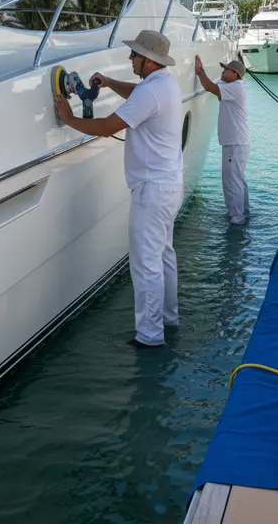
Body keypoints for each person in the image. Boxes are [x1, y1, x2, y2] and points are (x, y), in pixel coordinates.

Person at [54, 30, 183, 349]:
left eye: (134, 55)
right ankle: (169, 317)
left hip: (152, 191)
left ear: (148, 61)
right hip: (168, 185)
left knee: (146, 263)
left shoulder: (150, 92)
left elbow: (109, 127)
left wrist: (69, 119)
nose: (130, 58)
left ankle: (150, 335)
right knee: (163, 255)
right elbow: (139, 94)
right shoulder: (163, 82)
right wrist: (110, 82)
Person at [194, 56, 250, 224]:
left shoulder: (235, 87)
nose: (222, 72)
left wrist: (200, 72)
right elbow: (215, 87)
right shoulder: (231, 87)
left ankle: (237, 217)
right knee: (237, 179)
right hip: (235, 141)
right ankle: (243, 212)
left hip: (235, 142)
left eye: (225, 70)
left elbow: (210, 87)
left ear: (235, 73)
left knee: (232, 180)